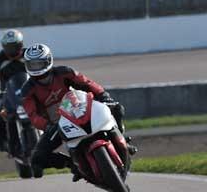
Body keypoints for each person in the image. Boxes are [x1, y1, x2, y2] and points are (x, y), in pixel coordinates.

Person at [20, 43, 136, 179]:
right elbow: (33, 115)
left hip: (80, 110)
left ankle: (122, 141)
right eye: (32, 65)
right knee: (37, 160)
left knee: (117, 108)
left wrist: (103, 96)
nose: (36, 68)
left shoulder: (65, 72)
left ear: (48, 60)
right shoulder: (27, 90)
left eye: (39, 63)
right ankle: (73, 165)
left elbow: (87, 83)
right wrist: (46, 125)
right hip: (56, 124)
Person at [0, 29, 27, 152]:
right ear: (3, 47)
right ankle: (4, 142)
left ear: (21, 45)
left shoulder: (29, 54)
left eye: (15, 46)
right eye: (9, 47)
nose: (12, 51)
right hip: (8, 95)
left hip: (30, 91)